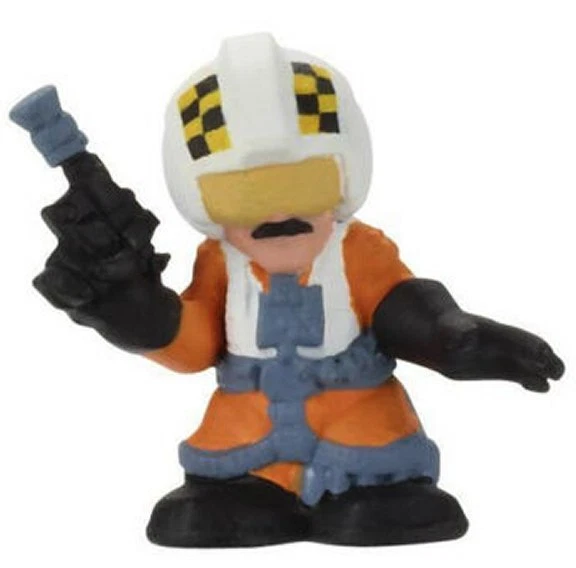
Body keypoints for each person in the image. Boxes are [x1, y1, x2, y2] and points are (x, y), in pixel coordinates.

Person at [20, 33, 564, 547]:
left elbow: (402, 306)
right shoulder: (220, 262)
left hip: (358, 421)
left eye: (304, 185)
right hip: (246, 429)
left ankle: (377, 492)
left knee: (377, 511)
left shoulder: (357, 251)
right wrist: (133, 313)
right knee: (207, 516)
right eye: (242, 197)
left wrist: (456, 338)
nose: (278, 212)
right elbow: (195, 344)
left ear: (343, 179)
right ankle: (255, 491)